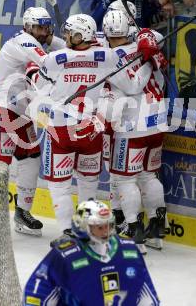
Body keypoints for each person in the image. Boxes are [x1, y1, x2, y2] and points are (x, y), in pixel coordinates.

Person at [29, 13, 156, 235]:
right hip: (91, 131)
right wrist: (147, 62)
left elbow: (38, 90)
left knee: (60, 186)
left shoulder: (53, 59)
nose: (66, 35)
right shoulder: (106, 56)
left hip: (61, 131)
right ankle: (85, 229)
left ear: (80, 34)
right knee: (88, 183)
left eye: (69, 32)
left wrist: (32, 73)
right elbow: (133, 86)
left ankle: (68, 231)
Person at [0, 6, 63, 236]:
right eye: (39, 27)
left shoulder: (31, 41)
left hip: (19, 111)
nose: (43, 32)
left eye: (47, 27)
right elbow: (49, 65)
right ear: (28, 27)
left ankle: (22, 212)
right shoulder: (25, 42)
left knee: (32, 159)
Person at [100, 10, 167, 251]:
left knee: (124, 179)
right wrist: (149, 53)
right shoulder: (144, 43)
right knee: (148, 176)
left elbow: (133, 85)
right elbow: (154, 35)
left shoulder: (111, 57)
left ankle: (133, 229)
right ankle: (157, 227)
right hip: (157, 120)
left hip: (132, 127)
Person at [23, 199, 160, 306]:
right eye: (99, 227)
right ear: (82, 227)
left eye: (108, 225)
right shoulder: (64, 256)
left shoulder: (129, 249)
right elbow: (36, 294)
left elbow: (147, 297)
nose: (105, 232)